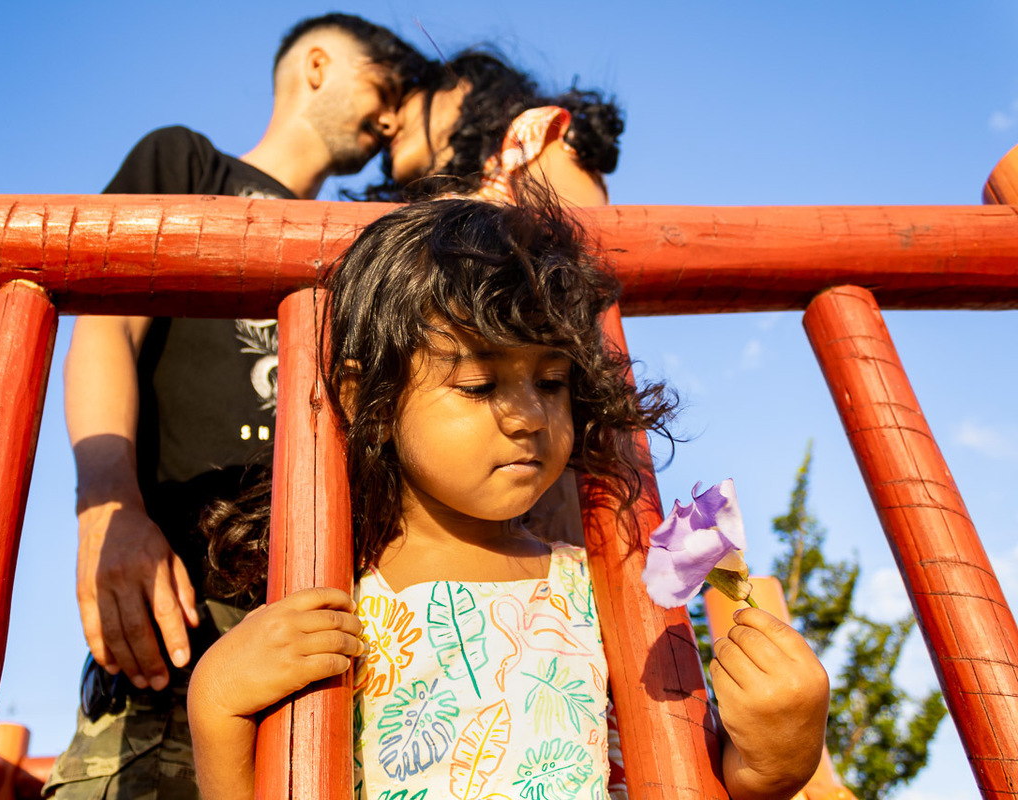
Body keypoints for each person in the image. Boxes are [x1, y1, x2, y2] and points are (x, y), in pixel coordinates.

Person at [187, 198, 831, 800]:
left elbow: (683, 769)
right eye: (479, 384)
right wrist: (217, 703)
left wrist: (777, 756)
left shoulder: (603, 591)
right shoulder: (339, 596)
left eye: (551, 382)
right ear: (370, 405)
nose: (529, 416)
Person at [47, 13, 426, 798]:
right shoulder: (188, 163)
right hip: (184, 607)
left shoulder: (368, 240)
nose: (392, 120)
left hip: (335, 620)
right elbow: (107, 331)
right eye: (385, 87)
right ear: (317, 65)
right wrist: (108, 508)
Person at [364, 49, 624, 207]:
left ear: (460, 87)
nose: (387, 124)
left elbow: (582, 250)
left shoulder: (530, 136)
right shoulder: (407, 205)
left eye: (400, 103)